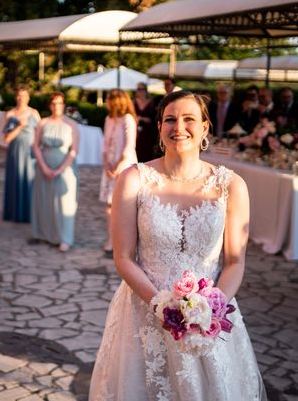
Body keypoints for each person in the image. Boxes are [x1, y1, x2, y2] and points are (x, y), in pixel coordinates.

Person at [89, 90, 265, 400]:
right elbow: (123, 257)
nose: (178, 127)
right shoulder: (134, 180)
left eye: (188, 119)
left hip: (209, 315)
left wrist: (207, 311)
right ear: (159, 127)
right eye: (169, 119)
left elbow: (235, 261)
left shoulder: (231, 185)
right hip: (143, 309)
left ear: (205, 128)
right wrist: (162, 306)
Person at [32, 92, 80, 252]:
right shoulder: (43, 123)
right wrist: (44, 167)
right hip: (43, 166)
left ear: (64, 105)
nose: (56, 106)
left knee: (64, 204)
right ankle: (47, 234)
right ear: (50, 105)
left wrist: (60, 169)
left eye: (59, 103)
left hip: (65, 168)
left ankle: (65, 238)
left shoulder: (71, 124)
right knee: (45, 201)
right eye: (53, 103)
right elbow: (36, 146)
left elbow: (74, 150)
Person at [99, 89, 138, 257]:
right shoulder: (109, 119)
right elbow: (105, 144)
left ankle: (126, 242)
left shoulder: (128, 119)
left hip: (124, 165)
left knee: (124, 205)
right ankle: (111, 239)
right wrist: (107, 163)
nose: (107, 103)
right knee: (109, 205)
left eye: (109, 100)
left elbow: (129, 145)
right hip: (109, 165)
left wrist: (118, 165)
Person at [3, 85, 41, 223]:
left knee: (30, 180)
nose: (21, 98)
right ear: (15, 97)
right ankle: (15, 213)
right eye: (19, 95)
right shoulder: (10, 114)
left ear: (28, 97)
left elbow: (39, 133)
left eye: (24, 95)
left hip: (30, 151)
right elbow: (6, 138)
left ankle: (30, 213)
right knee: (16, 180)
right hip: (15, 151)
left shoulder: (34, 113)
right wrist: (20, 126)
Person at [133, 82, 156, 162]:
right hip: (135, 131)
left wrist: (141, 118)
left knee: (147, 153)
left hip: (147, 131)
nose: (140, 91)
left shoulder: (151, 102)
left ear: (146, 90)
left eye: (142, 89)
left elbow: (153, 118)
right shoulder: (133, 102)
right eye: (138, 89)